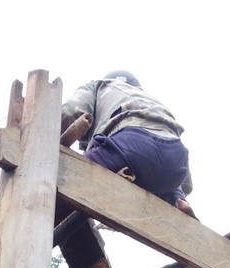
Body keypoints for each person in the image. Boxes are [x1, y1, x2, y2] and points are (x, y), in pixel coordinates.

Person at [60, 71, 194, 215]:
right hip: (176, 161)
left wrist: (45, 140)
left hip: (131, 146)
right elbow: (186, 182)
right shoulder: (152, 101)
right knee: (156, 167)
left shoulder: (99, 85)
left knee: (67, 175)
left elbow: (70, 112)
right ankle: (177, 199)